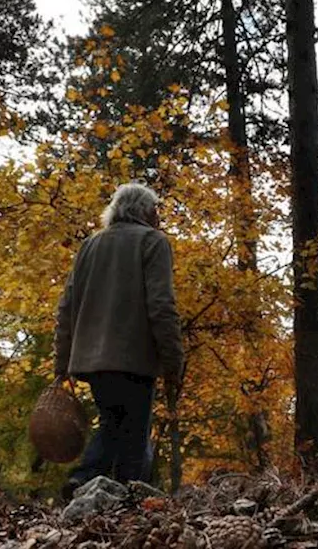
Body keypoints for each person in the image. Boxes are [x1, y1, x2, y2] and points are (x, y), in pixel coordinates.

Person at [54, 182, 184, 498]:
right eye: (155, 209)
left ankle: (88, 486)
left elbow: (66, 307)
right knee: (132, 435)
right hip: (133, 357)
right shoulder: (153, 242)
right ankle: (118, 495)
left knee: (113, 424)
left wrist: (62, 363)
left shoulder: (90, 246)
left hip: (91, 360)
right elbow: (161, 306)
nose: (158, 216)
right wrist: (173, 361)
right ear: (144, 211)